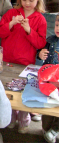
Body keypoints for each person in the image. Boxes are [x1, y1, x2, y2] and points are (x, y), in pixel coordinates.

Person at [0, 0, 47, 134]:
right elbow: (0, 32)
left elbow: (40, 43)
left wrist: (29, 30)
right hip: (8, 60)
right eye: (24, 0)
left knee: (23, 92)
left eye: (31, 0)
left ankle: (24, 120)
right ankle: (10, 117)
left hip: (25, 63)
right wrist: (11, 23)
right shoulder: (11, 13)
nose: (27, 3)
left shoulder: (40, 19)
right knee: (7, 91)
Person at [37, 14, 59, 143]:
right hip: (48, 81)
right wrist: (40, 54)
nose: (58, 28)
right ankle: (46, 129)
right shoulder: (50, 40)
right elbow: (40, 54)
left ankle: (55, 129)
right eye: (57, 25)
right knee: (48, 108)